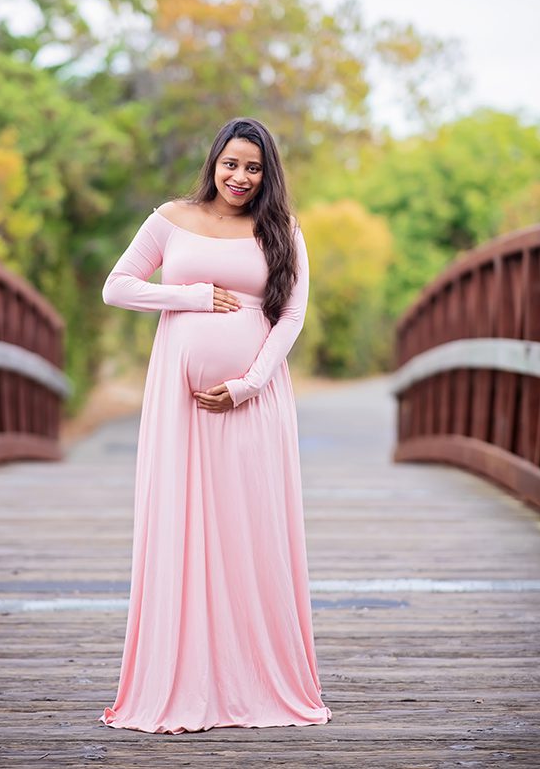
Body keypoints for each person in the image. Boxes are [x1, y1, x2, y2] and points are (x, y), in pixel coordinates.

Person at [99, 116, 332, 734]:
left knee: (249, 529)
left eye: (254, 167)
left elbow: (292, 315)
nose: (240, 177)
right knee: (183, 526)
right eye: (232, 163)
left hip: (254, 401)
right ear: (214, 163)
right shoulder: (170, 218)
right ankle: (186, 681)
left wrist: (250, 384)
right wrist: (192, 297)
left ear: (267, 174)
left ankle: (254, 680)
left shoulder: (282, 229)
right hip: (180, 407)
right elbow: (117, 288)